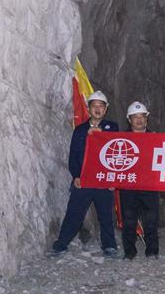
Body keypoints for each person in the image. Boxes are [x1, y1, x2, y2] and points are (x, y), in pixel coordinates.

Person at [48, 91, 120, 258]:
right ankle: (61, 244)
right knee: (74, 213)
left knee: (105, 215)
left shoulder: (112, 128)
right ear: (88, 109)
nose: (97, 109)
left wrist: (113, 178)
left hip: (103, 179)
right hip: (84, 179)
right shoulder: (80, 130)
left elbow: (117, 154)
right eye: (94, 106)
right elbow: (73, 156)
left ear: (106, 108)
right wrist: (76, 176)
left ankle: (109, 246)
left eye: (100, 106)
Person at [120, 101, 159, 259]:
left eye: (142, 117)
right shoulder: (120, 139)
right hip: (129, 185)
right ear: (129, 120)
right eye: (135, 117)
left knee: (151, 220)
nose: (139, 120)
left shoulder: (155, 138)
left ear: (146, 119)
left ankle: (152, 251)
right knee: (129, 220)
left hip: (149, 185)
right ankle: (129, 252)